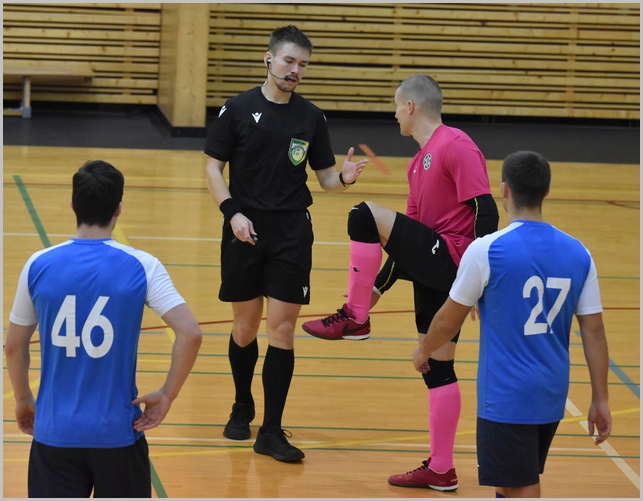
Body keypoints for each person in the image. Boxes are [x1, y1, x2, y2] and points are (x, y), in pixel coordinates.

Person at [302, 74, 499, 490]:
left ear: (410, 106)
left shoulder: (456, 144)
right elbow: (406, 246)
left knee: (363, 214)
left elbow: (487, 212)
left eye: (396, 106)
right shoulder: (416, 164)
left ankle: (355, 317)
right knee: (436, 365)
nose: (394, 115)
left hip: (455, 259)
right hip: (438, 266)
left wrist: (481, 280)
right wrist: (376, 289)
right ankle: (442, 469)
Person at [204, 25, 368, 463]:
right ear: (269, 59)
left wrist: (343, 179)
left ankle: (271, 431)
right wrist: (232, 213)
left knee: (282, 330)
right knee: (245, 328)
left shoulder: (311, 117)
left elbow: (325, 178)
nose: (295, 70)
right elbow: (213, 169)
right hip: (243, 229)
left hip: (292, 233)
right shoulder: (237, 109)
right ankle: (242, 404)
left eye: (303, 65)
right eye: (289, 61)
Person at [412, 150, 611, 498]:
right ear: (546, 191)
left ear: (504, 190)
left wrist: (423, 350)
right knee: (513, 480)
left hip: (507, 396)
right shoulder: (578, 253)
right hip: (551, 393)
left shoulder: (486, 250)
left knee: (520, 485)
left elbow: (447, 320)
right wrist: (600, 398)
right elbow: (594, 332)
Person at [4, 160, 203, 498]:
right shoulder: (143, 266)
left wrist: (23, 399)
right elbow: (190, 333)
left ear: (73, 206)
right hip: (118, 434)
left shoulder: (38, 265)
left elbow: (14, 345)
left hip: (55, 433)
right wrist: (167, 394)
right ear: (118, 209)